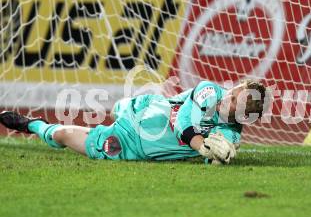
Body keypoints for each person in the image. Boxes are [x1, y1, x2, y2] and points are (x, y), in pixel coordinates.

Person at [0, 80, 266, 164]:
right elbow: (185, 120)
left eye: (234, 103)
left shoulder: (230, 133)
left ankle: (33, 126)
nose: (227, 99)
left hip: (131, 145)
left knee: (66, 136)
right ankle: (119, 109)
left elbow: (219, 156)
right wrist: (201, 146)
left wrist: (220, 157)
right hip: (144, 111)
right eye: (233, 93)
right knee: (117, 109)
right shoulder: (209, 91)